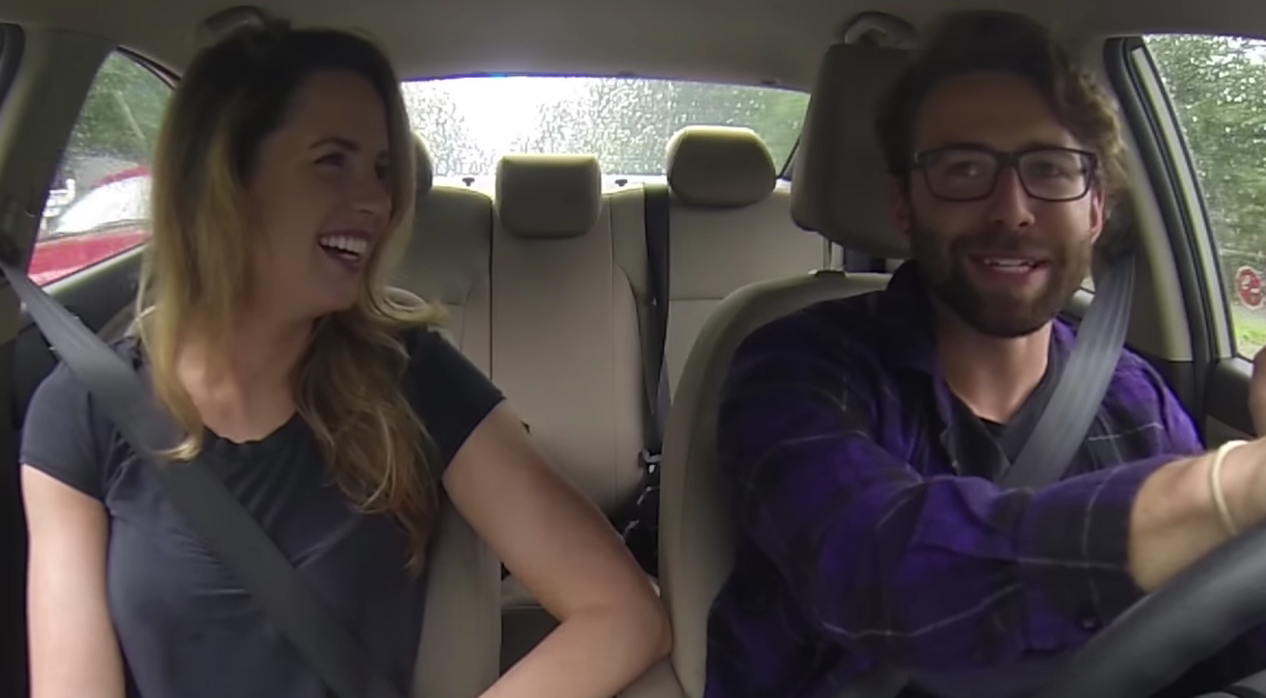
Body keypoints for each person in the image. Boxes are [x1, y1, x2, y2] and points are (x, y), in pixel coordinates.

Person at [19, 21, 669, 698]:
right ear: (224, 180)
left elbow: (622, 615)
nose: (377, 201)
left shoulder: (412, 377)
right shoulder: (81, 411)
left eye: (383, 171)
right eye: (333, 161)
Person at [706, 10, 1266, 698]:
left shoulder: (1136, 398)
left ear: (1095, 211)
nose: (1011, 210)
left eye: (1050, 169)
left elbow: (1208, 625)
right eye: (964, 168)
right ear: (904, 205)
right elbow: (875, 569)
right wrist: (1227, 489)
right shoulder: (791, 370)